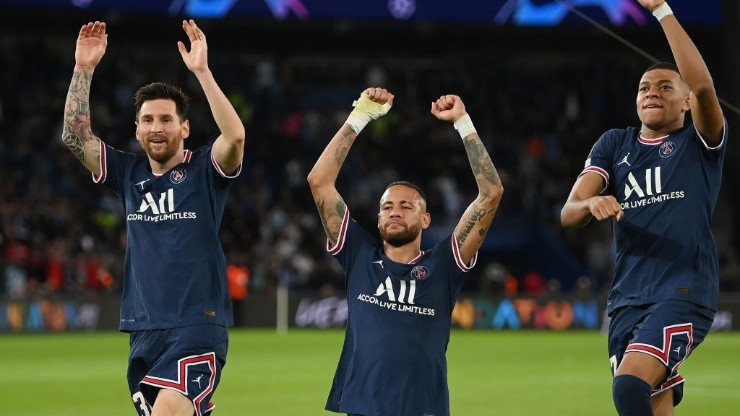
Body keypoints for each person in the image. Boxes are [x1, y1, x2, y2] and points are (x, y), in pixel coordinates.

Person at [62, 20, 245, 416]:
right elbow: (75, 137)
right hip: (143, 330)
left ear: (185, 127)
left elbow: (234, 138)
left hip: (197, 325)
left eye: (166, 119)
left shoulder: (205, 171)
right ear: (137, 129)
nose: (156, 128)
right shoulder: (128, 173)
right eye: (148, 120)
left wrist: (202, 73)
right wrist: (84, 68)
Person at [560, 1, 726, 415]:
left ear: (686, 103)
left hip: (683, 288)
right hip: (626, 299)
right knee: (653, 404)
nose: (652, 92)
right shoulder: (615, 144)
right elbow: (569, 212)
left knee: (629, 385)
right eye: (644, 88)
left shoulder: (698, 144)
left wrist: (661, 11)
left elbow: (704, 87)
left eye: (665, 87)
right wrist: (591, 201)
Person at [307, 87, 504, 415]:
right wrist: (361, 116)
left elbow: (491, 193)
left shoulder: (444, 265)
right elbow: (319, 182)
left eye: (406, 206)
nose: (394, 211)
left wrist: (463, 123)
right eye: (387, 207)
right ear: (379, 216)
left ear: (426, 218)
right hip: (362, 407)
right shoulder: (359, 255)